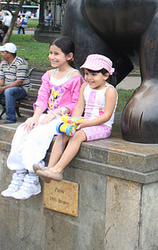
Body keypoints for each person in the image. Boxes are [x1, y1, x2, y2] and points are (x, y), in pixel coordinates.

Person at [1, 36, 83, 200]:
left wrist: (55, 113)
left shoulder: (75, 77)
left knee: (39, 135)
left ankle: (32, 177)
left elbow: (76, 103)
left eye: (57, 54)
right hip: (46, 116)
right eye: (50, 53)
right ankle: (19, 173)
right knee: (23, 130)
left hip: (63, 119)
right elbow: (42, 98)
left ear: (69, 56)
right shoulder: (48, 75)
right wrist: (35, 117)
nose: (52, 57)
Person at [36, 54, 117, 183]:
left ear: (106, 75)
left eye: (94, 75)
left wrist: (85, 124)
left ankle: (58, 170)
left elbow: (106, 116)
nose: (89, 78)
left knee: (77, 136)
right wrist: (72, 121)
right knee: (63, 133)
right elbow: (79, 107)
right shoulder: (85, 87)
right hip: (84, 122)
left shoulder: (109, 91)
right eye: (87, 74)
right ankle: (50, 168)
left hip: (101, 126)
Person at [0, 43, 30, 124]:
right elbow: (0, 77)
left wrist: (3, 88)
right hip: (6, 87)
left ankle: (10, 118)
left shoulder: (21, 63)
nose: (1, 54)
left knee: (9, 91)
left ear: (9, 54)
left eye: (3, 52)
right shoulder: (4, 63)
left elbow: (19, 81)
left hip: (21, 89)